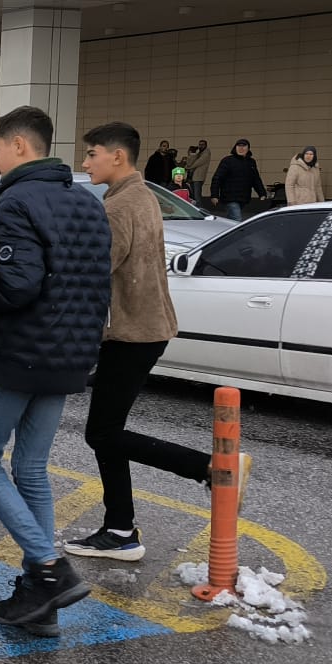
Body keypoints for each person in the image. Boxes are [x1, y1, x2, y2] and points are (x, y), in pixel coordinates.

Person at [0, 106, 110, 635]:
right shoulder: (88, 204)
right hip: (71, 354)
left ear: (20, 146)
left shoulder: (16, 202)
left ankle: (49, 569)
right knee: (30, 468)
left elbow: (18, 285)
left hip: (21, 352)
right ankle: (37, 602)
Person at [67, 123, 224, 563]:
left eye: (92, 154)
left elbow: (95, 273)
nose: (86, 162)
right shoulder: (141, 195)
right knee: (105, 433)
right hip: (145, 329)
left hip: (132, 333)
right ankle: (119, 529)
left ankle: (206, 468)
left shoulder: (120, 206)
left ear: (118, 156)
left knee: (102, 432)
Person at [209, 139, 263, 221]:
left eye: (244, 146)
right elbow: (217, 178)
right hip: (229, 197)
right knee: (237, 219)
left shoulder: (251, 162)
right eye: (239, 146)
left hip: (244, 197)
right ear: (235, 148)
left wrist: (262, 193)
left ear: (248, 148)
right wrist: (214, 195)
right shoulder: (227, 161)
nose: (241, 148)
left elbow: (255, 179)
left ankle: (226, 232)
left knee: (231, 220)